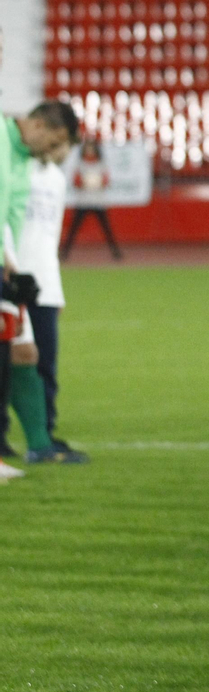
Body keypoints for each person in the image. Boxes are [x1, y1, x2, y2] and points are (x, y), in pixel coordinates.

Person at [0, 101, 80, 470]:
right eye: (52, 140)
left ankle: (37, 443)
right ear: (37, 124)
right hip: (10, 266)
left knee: (23, 353)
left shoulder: (22, 158)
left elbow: (11, 215)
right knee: (18, 353)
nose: (51, 150)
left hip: (11, 270)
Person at [14, 142, 86, 463]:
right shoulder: (16, 170)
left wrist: (55, 287)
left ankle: (43, 435)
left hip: (45, 284)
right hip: (14, 278)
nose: (62, 154)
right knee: (12, 361)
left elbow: (49, 236)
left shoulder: (57, 178)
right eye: (61, 145)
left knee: (45, 365)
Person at [61, 137, 120, 260]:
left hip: (98, 200)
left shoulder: (101, 163)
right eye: (87, 148)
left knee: (107, 229)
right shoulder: (80, 163)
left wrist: (97, 182)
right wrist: (84, 182)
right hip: (83, 200)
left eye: (92, 148)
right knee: (73, 229)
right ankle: (64, 253)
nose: (90, 150)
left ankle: (116, 252)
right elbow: (76, 181)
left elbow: (106, 180)